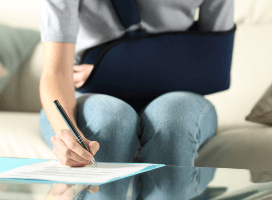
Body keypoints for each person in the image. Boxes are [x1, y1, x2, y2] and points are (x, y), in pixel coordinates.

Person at [38, 0, 234, 168]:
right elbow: (56, 72)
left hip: (180, 95)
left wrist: (112, 70)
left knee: (173, 122)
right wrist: (66, 132)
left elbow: (214, 67)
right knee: (109, 122)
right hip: (92, 95)